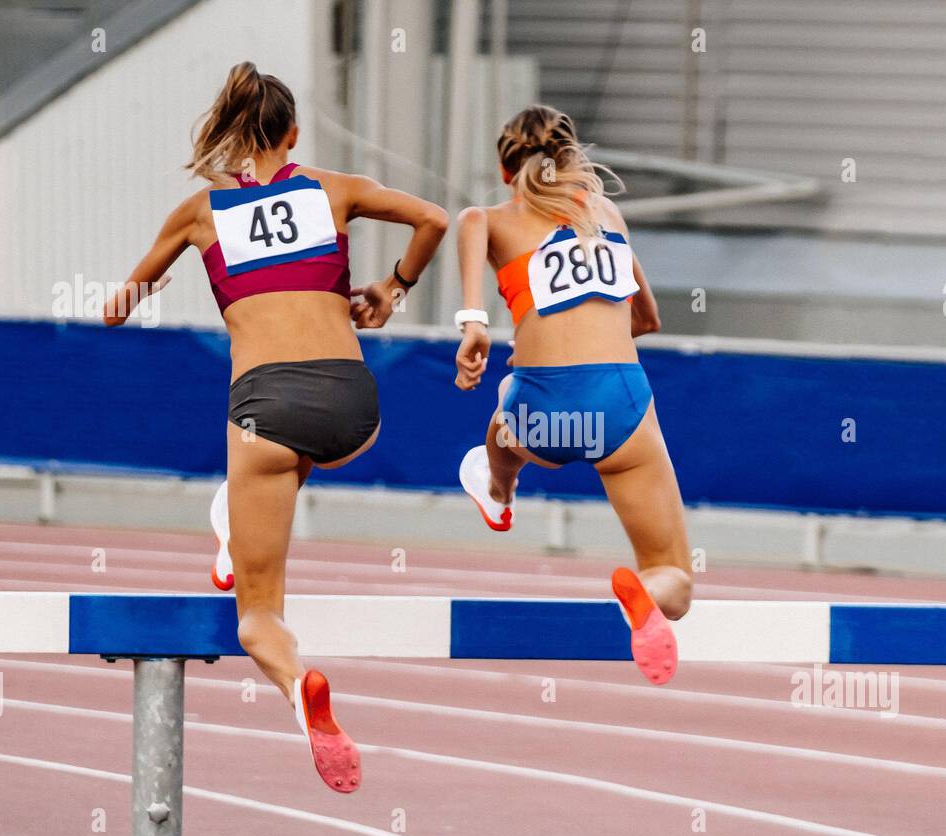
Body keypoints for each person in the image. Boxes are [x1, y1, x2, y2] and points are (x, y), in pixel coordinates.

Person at [103, 62, 448, 793]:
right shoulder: (332, 188)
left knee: (257, 616)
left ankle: (299, 689)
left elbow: (115, 308)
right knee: (294, 460)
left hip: (264, 408)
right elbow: (435, 219)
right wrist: (393, 288)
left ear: (231, 137)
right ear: (292, 136)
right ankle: (233, 527)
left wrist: (147, 286)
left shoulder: (200, 213)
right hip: (355, 409)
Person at [451, 105, 690, 685]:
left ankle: (500, 488)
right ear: (569, 155)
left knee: (508, 399)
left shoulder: (486, 218)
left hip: (542, 413)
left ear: (507, 171)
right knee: (675, 578)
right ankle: (644, 592)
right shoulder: (607, 214)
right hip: (620, 407)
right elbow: (649, 319)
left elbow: (470, 260)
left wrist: (476, 324)